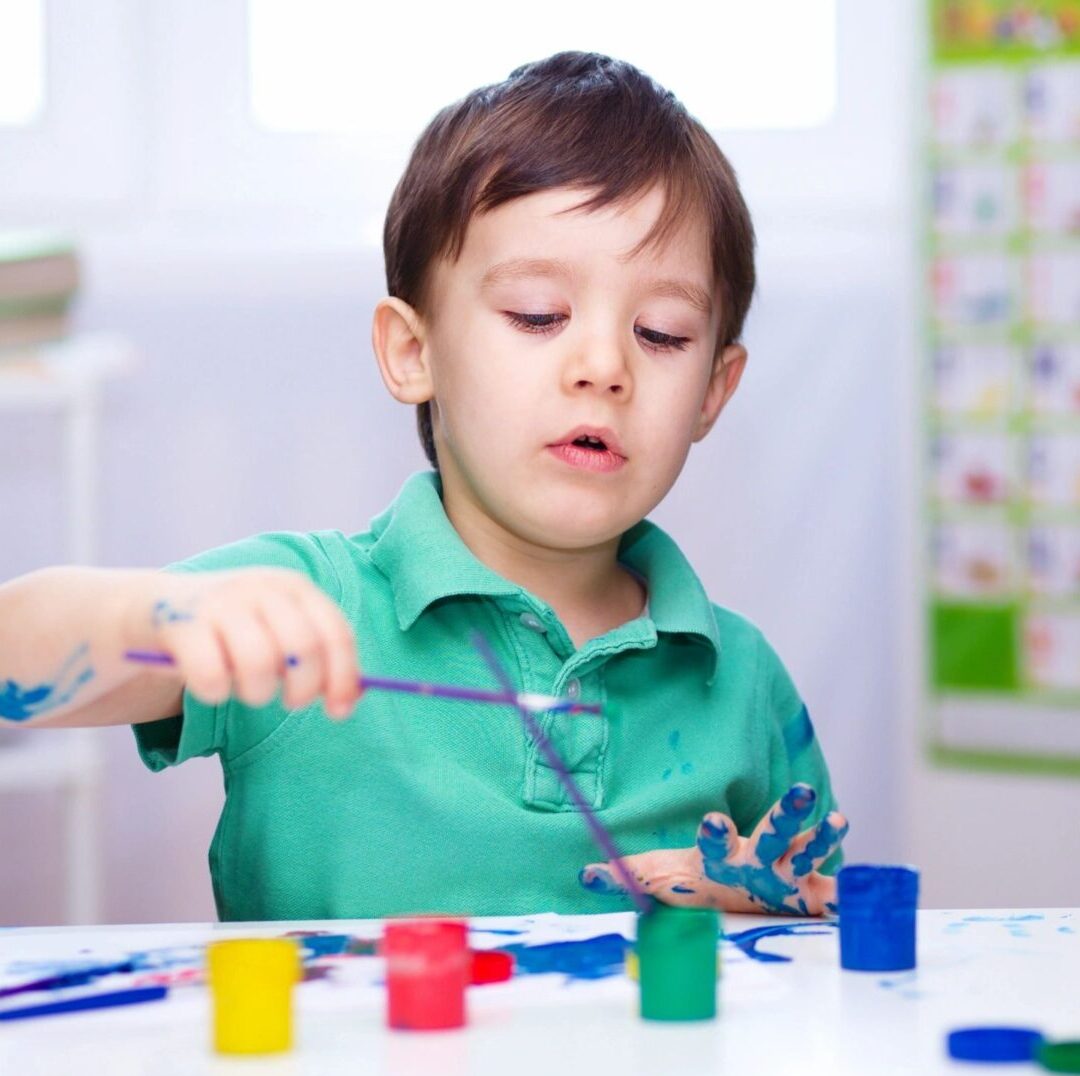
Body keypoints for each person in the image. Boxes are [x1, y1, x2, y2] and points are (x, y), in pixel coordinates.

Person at [0, 52, 846, 921]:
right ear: (413, 353)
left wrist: (774, 915)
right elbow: (9, 654)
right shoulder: (306, 604)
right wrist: (153, 621)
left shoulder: (743, 681)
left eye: (662, 333)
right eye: (537, 316)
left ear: (714, 390)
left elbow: (827, 930)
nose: (604, 366)